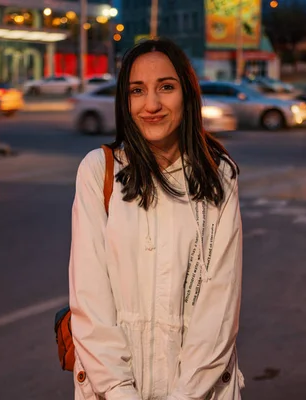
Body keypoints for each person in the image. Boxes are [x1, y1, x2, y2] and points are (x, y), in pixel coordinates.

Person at [68, 38, 243, 400]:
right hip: (111, 389)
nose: (151, 104)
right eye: (137, 90)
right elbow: (90, 301)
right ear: (124, 100)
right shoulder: (99, 171)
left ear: (187, 93)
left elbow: (219, 308)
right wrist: (119, 391)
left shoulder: (217, 176)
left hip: (199, 391)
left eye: (166, 87)